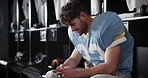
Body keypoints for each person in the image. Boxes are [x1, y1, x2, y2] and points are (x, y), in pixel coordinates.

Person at [45, 1, 134, 78]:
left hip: (118, 74)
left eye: (73, 24)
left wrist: (76, 73)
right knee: (51, 75)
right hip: (93, 73)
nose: (72, 29)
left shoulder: (106, 25)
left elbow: (111, 68)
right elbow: (74, 59)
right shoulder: (76, 31)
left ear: (83, 16)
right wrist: (63, 68)